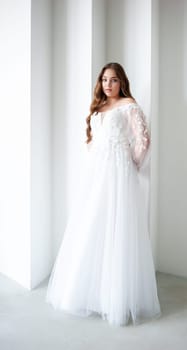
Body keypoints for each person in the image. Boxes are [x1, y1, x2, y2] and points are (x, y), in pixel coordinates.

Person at [46, 62, 161, 327]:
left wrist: (131, 163)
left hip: (119, 172)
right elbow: (93, 141)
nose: (108, 84)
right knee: (92, 223)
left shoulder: (129, 105)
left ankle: (116, 299)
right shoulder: (99, 107)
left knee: (117, 227)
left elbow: (143, 141)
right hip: (97, 173)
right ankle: (90, 292)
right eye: (105, 80)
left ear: (122, 83)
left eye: (114, 80)